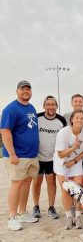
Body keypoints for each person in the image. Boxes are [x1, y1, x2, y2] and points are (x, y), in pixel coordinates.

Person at [1, 80, 39, 231]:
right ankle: (12, 217)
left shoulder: (31, 107)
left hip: (31, 155)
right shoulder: (11, 109)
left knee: (27, 182)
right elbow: (5, 131)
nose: (26, 91)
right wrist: (12, 153)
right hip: (17, 155)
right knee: (16, 183)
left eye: (28, 89)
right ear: (17, 91)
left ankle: (22, 212)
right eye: (23, 89)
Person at [53, 109, 83, 230]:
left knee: (78, 190)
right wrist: (74, 147)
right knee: (65, 190)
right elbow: (60, 154)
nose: (79, 120)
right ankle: (69, 217)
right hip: (61, 163)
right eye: (77, 118)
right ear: (71, 120)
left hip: (75, 163)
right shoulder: (63, 133)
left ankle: (78, 217)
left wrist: (74, 161)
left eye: (82, 118)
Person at [31, 95, 67, 219]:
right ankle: (36, 207)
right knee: (37, 181)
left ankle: (51, 207)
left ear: (56, 106)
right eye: (48, 104)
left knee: (51, 181)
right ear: (44, 106)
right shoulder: (37, 118)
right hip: (38, 156)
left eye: (53, 104)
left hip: (53, 158)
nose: (51, 107)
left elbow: (64, 138)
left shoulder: (61, 120)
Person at [63, 94, 83, 188]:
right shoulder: (65, 116)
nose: (78, 103)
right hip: (69, 152)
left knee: (82, 177)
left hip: (82, 152)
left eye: (80, 101)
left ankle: (82, 199)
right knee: (69, 179)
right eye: (75, 101)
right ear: (72, 103)